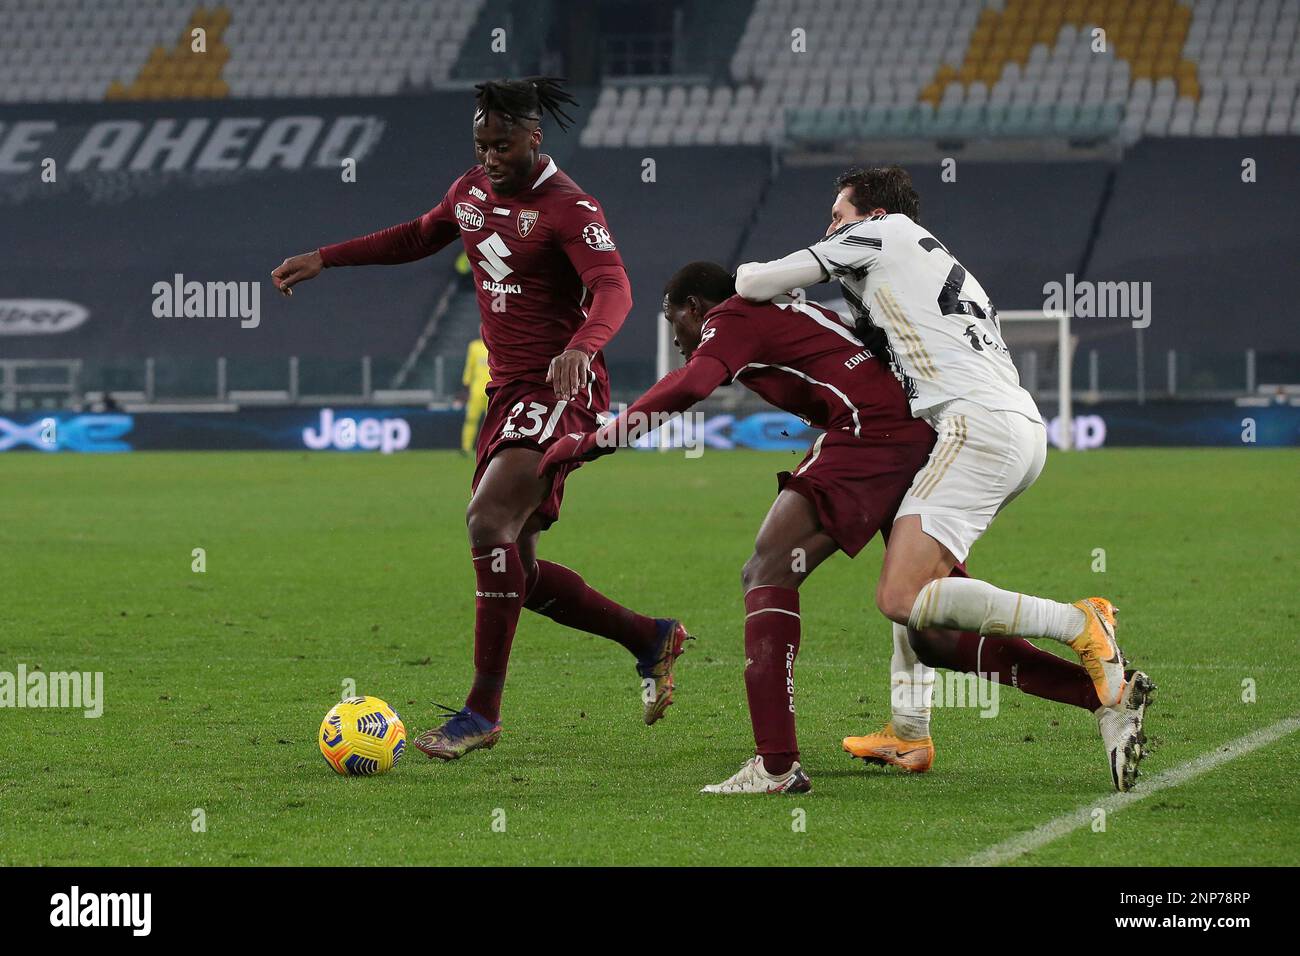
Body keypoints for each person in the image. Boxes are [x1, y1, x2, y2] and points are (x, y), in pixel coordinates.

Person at [541, 262, 1148, 793]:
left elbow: (692, 385)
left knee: (768, 568)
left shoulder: (730, 315)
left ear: (695, 307)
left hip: (870, 432)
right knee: (930, 624)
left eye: (675, 320)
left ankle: (776, 766)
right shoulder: (787, 308)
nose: (678, 340)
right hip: (904, 433)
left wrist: (593, 441)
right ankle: (1104, 699)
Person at [271, 77, 689, 762]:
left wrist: (581, 348)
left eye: (502, 145)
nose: (490, 156)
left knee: (485, 522)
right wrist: (328, 257)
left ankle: (480, 712)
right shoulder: (470, 190)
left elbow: (615, 286)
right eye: (481, 144)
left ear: (535, 137)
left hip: (560, 386)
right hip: (508, 395)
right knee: (514, 567)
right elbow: (416, 236)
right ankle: (649, 637)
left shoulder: (569, 207)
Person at [734, 166, 1152, 790]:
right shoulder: (933, 262)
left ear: (870, 213)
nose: (831, 227)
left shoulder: (881, 233)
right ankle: (908, 731)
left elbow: (754, 280)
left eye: (838, 213)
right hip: (1014, 428)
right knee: (923, 587)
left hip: (973, 427)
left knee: (900, 596)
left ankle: (1081, 623)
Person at [460, 337, 490, 455]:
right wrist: (466, 383)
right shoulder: (474, 347)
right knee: (471, 419)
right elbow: (470, 366)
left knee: (492, 422)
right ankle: (466, 447)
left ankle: (490, 447)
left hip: (492, 389)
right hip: (476, 390)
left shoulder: (494, 344)